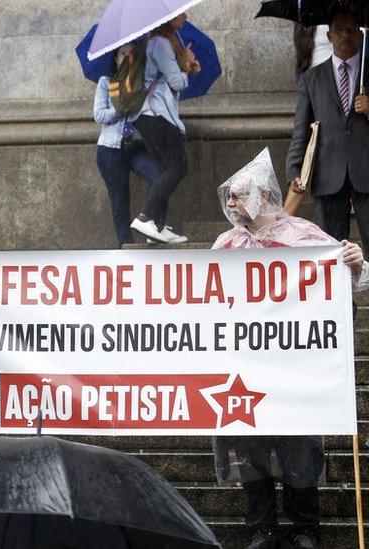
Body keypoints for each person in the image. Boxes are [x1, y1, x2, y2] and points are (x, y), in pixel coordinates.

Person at [213, 149, 368, 549]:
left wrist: (353, 263)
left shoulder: (304, 235)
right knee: (250, 450)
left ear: (264, 195)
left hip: (296, 366)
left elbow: (349, 281)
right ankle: (262, 527)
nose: (230, 202)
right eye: (228, 195)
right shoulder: (225, 244)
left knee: (300, 449)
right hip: (245, 368)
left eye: (237, 194)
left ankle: (304, 528)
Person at [287, 9, 369, 248]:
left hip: (365, 169)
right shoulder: (312, 78)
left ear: (361, 35)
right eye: (339, 30)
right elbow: (301, 130)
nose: (345, 35)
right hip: (328, 173)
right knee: (332, 248)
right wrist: (293, 171)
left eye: (351, 29)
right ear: (329, 36)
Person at [128, 12, 201, 244]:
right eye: (180, 12)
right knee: (178, 167)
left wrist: (186, 65)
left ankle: (157, 228)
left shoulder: (157, 41)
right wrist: (187, 66)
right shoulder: (160, 43)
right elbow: (176, 82)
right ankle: (146, 217)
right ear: (168, 17)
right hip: (157, 115)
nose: (186, 15)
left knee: (164, 170)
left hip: (149, 116)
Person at [94, 43, 161, 248]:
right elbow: (99, 115)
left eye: (132, 53)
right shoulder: (106, 83)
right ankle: (126, 246)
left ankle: (151, 226)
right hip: (110, 151)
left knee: (159, 178)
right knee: (119, 201)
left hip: (136, 148)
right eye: (123, 54)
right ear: (116, 59)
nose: (127, 57)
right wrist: (121, 108)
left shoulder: (145, 84)